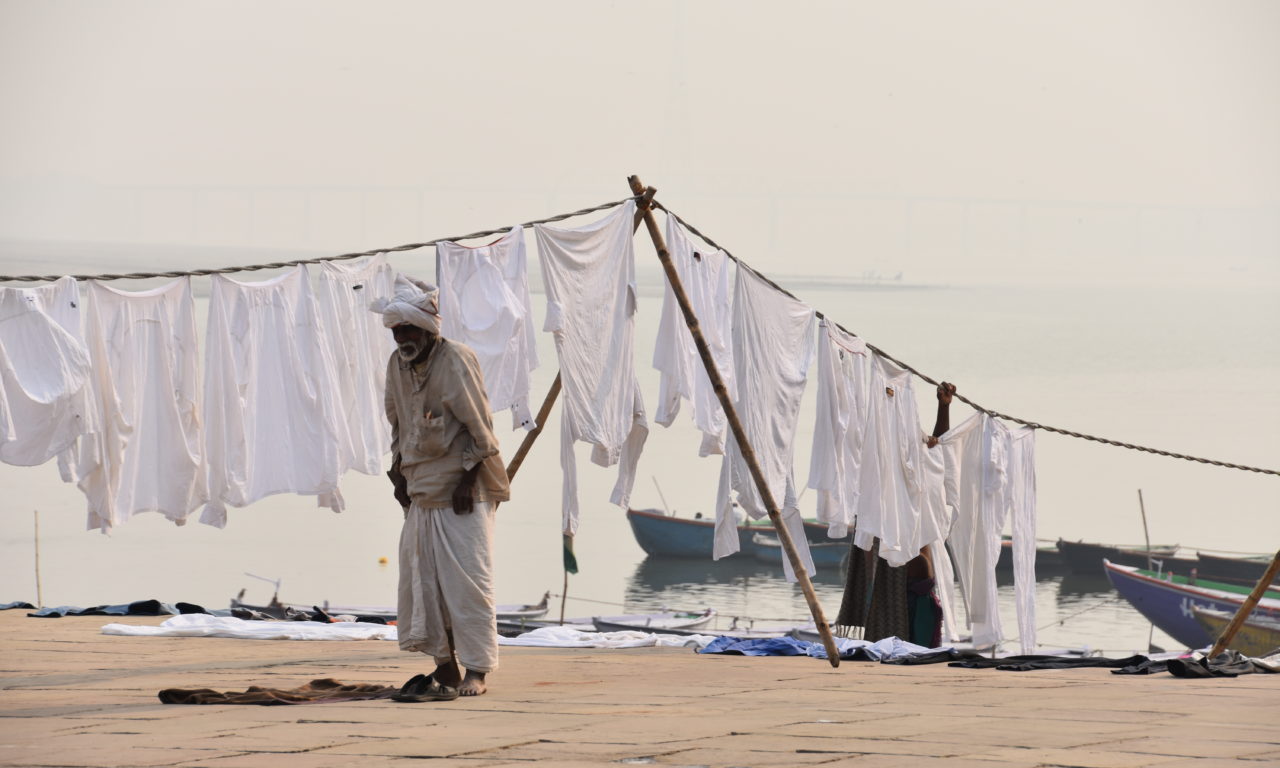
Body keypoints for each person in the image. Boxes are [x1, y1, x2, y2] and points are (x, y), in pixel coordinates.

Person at [372, 274, 510, 698]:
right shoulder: (397, 365)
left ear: (428, 327)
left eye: (409, 329)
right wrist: (398, 475)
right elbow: (398, 422)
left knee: (468, 583)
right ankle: (445, 667)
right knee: (422, 585)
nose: (402, 337)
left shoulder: (456, 359)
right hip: (420, 490)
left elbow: (481, 429)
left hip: (463, 492)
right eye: (397, 330)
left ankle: (478, 671)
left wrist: (469, 477)